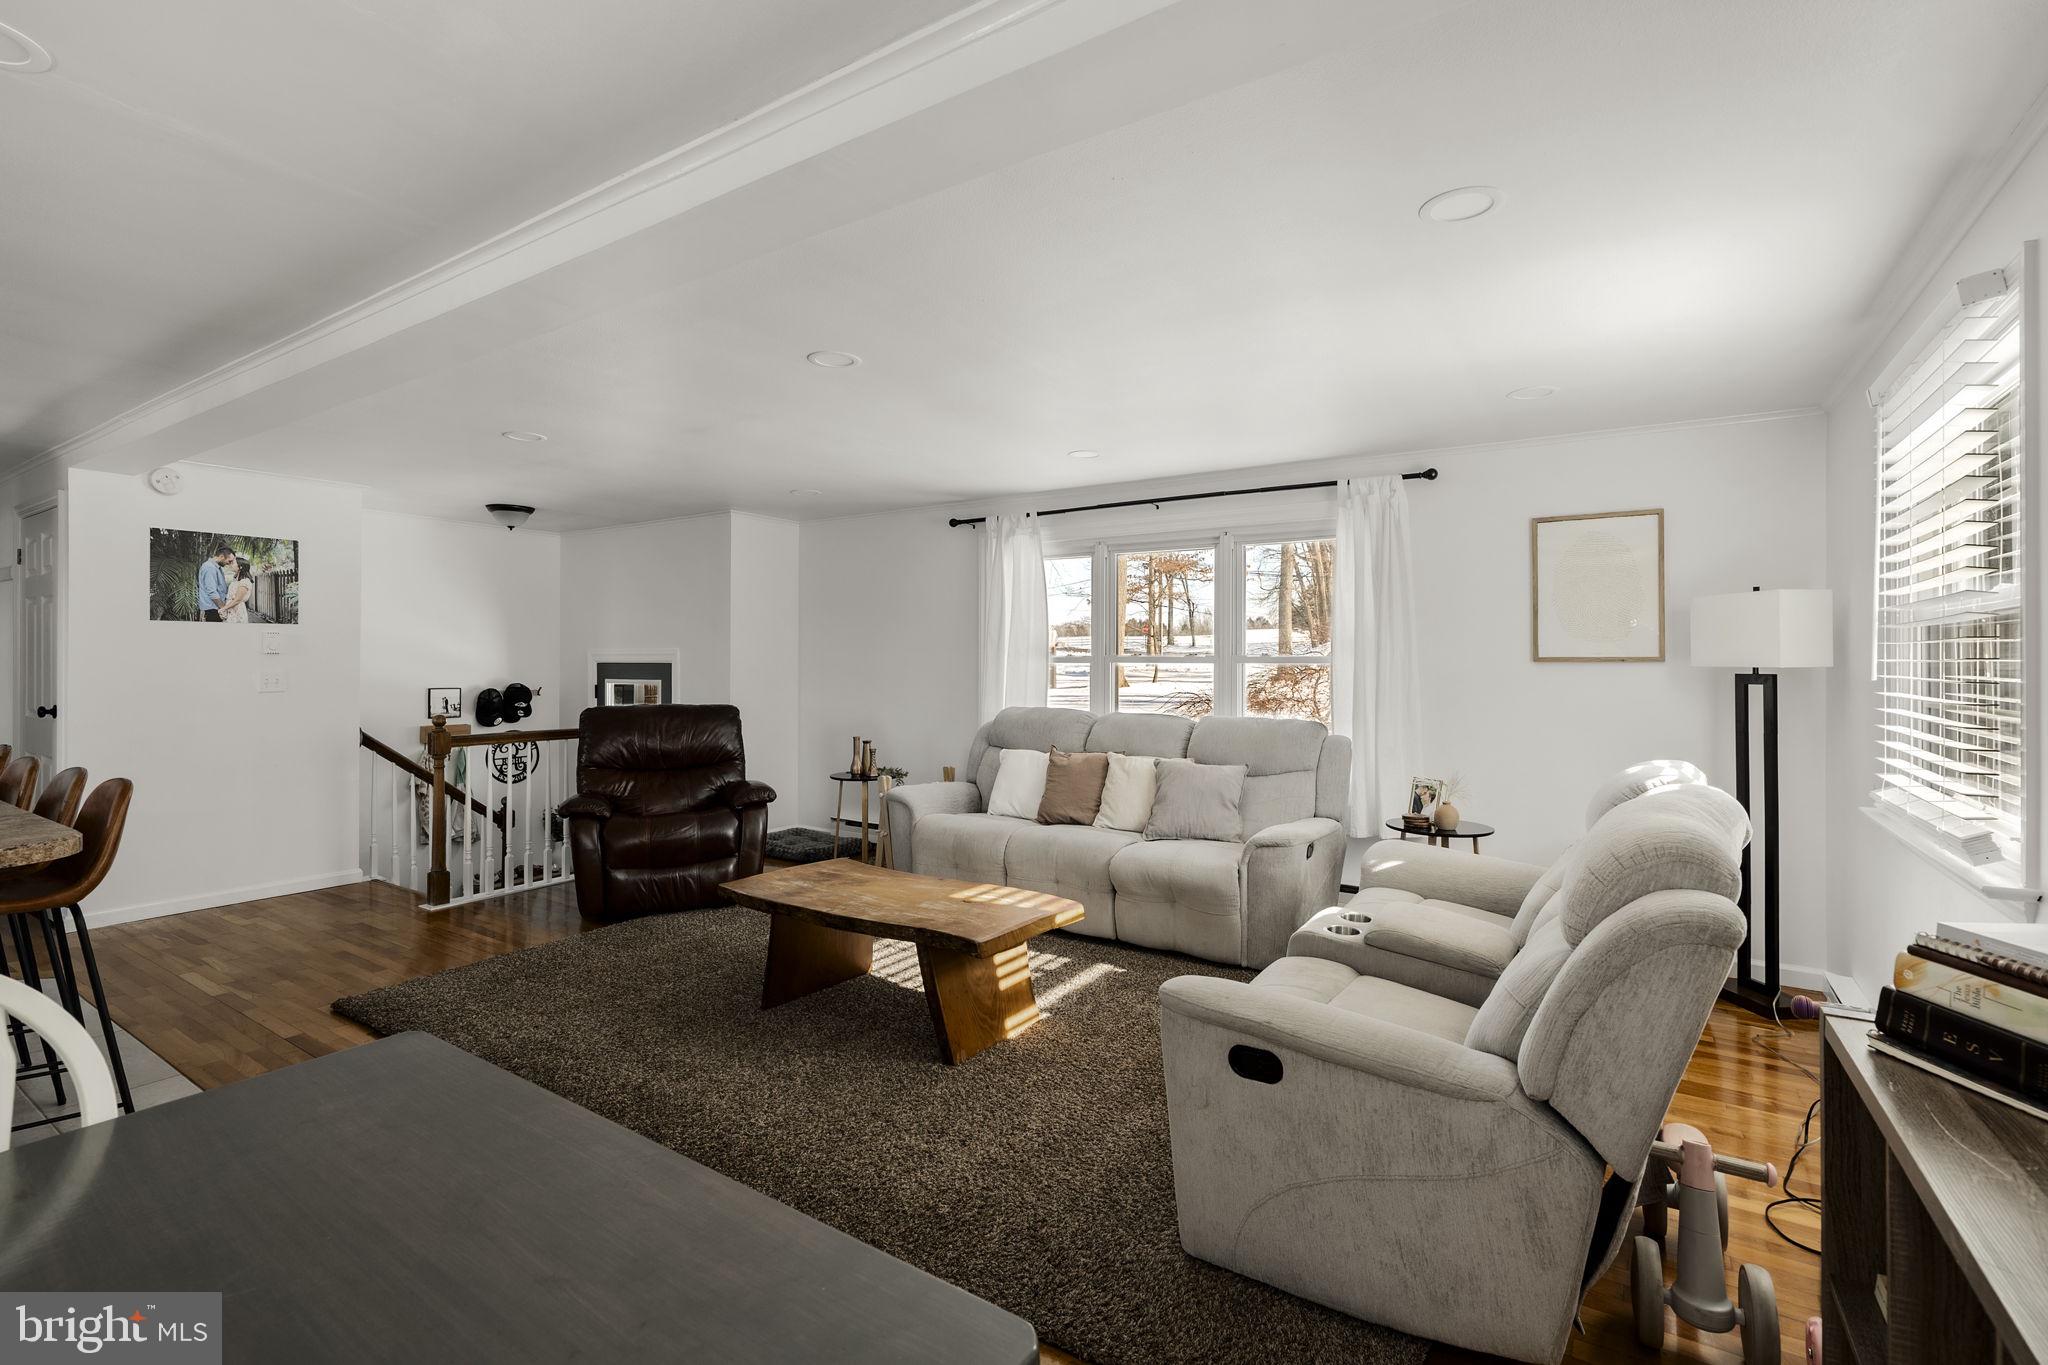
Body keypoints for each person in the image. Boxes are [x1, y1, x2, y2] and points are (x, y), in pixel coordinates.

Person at [196, 544, 234, 621]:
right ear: (222, 556)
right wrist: (224, 608)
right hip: (212, 610)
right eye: (229, 561)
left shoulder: (216, 567)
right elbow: (212, 592)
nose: (229, 563)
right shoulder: (210, 568)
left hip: (215, 608)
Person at [219, 556, 255, 623]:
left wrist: (224, 608)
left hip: (237, 610)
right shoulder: (237, 580)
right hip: (231, 609)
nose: (231, 564)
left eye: (233, 563)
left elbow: (237, 600)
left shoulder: (244, 581)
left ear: (240, 567)